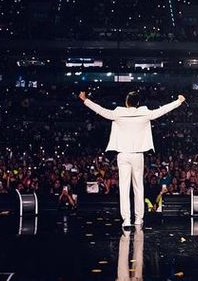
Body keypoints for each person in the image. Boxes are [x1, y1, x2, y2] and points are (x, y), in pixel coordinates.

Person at [79, 91, 185, 230]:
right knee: (138, 187)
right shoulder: (145, 113)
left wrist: (85, 100)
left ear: (126, 103)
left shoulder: (118, 113)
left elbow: (100, 110)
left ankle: (127, 220)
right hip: (137, 155)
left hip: (123, 155)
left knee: (124, 188)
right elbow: (162, 110)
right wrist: (178, 101)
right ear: (138, 103)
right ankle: (139, 219)